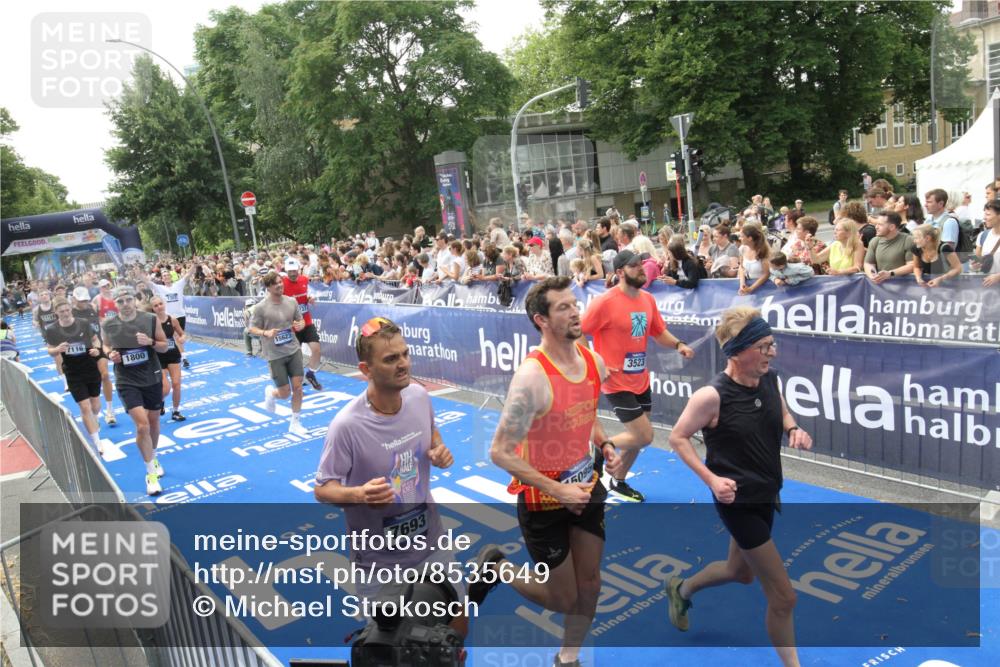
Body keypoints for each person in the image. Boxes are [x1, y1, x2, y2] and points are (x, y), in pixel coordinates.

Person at [666, 307, 812, 667]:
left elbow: (780, 407)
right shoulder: (711, 397)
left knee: (740, 572)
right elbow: (678, 438)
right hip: (738, 502)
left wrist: (793, 428)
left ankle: (681, 589)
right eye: (763, 347)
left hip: (766, 493)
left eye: (772, 344)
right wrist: (712, 480)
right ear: (737, 350)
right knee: (784, 597)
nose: (772, 353)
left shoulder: (768, 379)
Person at [314, 317, 478, 634]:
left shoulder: (418, 395)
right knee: (394, 650)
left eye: (404, 354)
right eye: (391, 359)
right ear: (366, 370)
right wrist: (357, 495)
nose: (403, 364)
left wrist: (439, 450)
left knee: (457, 629)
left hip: (433, 545)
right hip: (380, 566)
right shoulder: (346, 425)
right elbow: (323, 489)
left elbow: (432, 433)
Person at [489, 276, 615, 667]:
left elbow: (585, 410)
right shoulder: (532, 378)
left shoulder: (592, 361)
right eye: (563, 307)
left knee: (590, 584)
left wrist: (604, 441)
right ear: (541, 320)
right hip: (543, 498)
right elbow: (500, 452)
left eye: (574, 304)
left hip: (586, 489)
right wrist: (556, 490)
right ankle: (497, 568)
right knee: (562, 598)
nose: (575, 311)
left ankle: (567, 657)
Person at [581, 250, 694, 502]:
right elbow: (579, 331)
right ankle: (600, 450)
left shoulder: (647, 299)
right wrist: (594, 362)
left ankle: (618, 481)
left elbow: (658, 331)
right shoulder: (604, 302)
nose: (642, 270)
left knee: (639, 438)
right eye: (635, 266)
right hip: (615, 381)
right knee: (644, 435)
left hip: (640, 378)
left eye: (642, 265)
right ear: (620, 272)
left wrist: (679, 345)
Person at [101, 286, 169, 496]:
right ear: (115, 304)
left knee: (154, 421)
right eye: (120, 301)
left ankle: (154, 456)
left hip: (151, 376)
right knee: (142, 426)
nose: (125, 304)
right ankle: (150, 474)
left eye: (128, 299)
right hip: (126, 379)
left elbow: (164, 346)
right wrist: (110, 353)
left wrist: (150, 342)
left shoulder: (149, 319)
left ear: (135, 300)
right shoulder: (108, 324)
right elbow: (105, 346)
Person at [248, 271, 309, 436]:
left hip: (293, 349)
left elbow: (301, 320)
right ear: (268, 287)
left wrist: (300, 325)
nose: (280, 285)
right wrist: (265, 333)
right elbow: (251, 328)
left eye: (281, 282)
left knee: (298, 388)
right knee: (284, 393)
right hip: (275, 354)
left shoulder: (292, 301)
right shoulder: (261, 307)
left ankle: (295, 422)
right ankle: (272, 393)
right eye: (276, 284)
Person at [44, 297, 105, 452]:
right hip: (72, 372)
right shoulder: (52, 329)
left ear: (70, 309)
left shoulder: (83, 323)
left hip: (90, 368)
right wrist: (57, 349)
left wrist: (97, 349)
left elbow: (96, 340)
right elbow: (50, 350)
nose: (65, 313)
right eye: (61, 311)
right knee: (84, 407)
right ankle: (96, 442)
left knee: (95, 405)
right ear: (56, 312)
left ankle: (94, 420)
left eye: (67, 310)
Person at [72, 286, 117, 425]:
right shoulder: (71, 313)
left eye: (85, 300)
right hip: (83, 351)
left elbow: (101, 322)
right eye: (81, 301)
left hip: (99, 345)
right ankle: (94, 414)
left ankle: (110, 411)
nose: (84, 303)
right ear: (74, 300)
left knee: (105, 375)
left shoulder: (92, 308)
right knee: (90, 383)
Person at [281, 258, 323, 391]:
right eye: (290, 271)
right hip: (292, 324)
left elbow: (308, 294)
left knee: (316, 349)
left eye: (294, 271)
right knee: (295, 355)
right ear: (286, 271)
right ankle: (296, 379)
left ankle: (310, 374)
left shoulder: (304, 279)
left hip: (306, 321)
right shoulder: (281, 283)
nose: (292, 274)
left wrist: (310, 299)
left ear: (298, 269)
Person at [142, 265, 195, 369]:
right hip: (168, 317)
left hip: (180, 315)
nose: (166, 277)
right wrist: (138, 272)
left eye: (167, 275)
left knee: (179, 338)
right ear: (162, 279)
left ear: (171, 277)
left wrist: (195, 265)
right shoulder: (159, 288)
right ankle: (183, 357)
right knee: (174, 337)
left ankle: (178, 354)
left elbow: (188, 275)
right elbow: (147, 282)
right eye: (164, 276)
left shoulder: (178, 285)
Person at [148, 296, 187, 421]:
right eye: (156, 305)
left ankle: (175, 411)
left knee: (176, 384)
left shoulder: (172, 319)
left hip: (173, 354)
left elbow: (182, 333)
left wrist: (182, 338)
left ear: (164, 304)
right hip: (158, 357)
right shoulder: (151, 322)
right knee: (165, 387)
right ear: (153, 309)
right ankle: (160, 402)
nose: (159, 307)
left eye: (160, 304)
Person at [863, 211, 915, 283]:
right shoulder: (875, 241)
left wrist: (890, 273)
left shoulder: (908, 240)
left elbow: (912, 265)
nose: (876, 227)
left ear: (892, 227)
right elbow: (869, 263)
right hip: (881, 287)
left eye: (880, 224)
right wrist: (873, 276)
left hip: (904, 287)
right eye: (876, 224)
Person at [737, 223, 771, 295]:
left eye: (742, 236)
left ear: (750, 238)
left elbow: (766, 274)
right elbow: (741, 267)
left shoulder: (763, 251)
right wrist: (742, 285)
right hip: (748, 287)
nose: (739, 238)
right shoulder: (742, 249)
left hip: (764, 289)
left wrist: (751, 288)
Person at [974, 200, 1000, 287]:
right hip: (988, 288)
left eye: (988, 214)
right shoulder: (983, 235)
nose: (984, 218)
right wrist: (975, 265)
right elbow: (978, 260)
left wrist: (998, 277)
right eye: (984, 214)